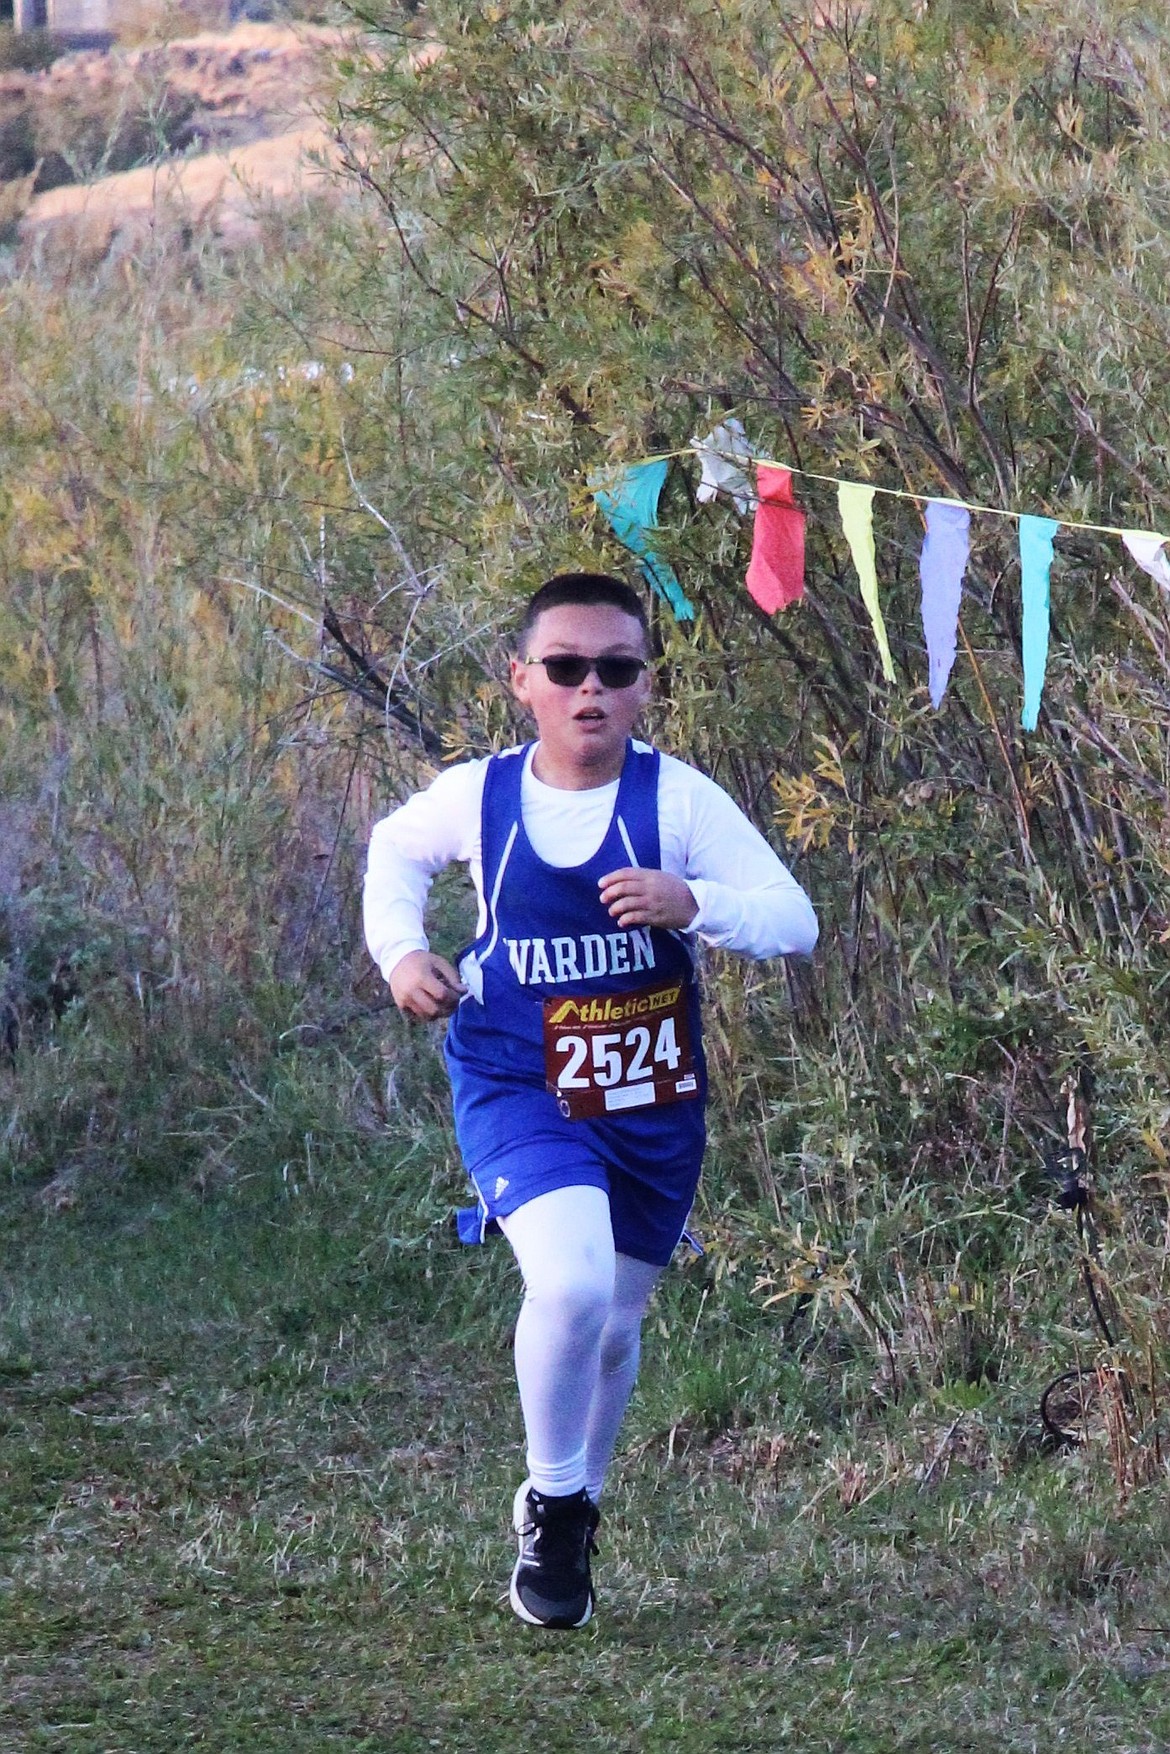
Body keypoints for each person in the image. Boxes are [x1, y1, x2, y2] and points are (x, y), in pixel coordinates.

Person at [363, 572, 818, 1630]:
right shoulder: (480, 796)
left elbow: (794, 920)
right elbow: (394, 849)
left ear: (646, 684)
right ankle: (554, 1500)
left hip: (650, 1098)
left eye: (616, 668)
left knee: (612, 1322)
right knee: (568, 1287)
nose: (591, 690)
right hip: (518, 1079)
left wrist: (693, 902)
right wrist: (401, 953)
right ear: (521, 679)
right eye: (565, 667)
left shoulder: (678, 801)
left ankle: (578, 1503)